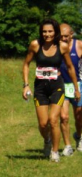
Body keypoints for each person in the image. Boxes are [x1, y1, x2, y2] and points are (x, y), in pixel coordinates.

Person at [22, 18, 80, 162]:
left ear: (55, 32)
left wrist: (76, 88)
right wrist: (26, 85)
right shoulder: (35, 45)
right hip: (40, 88)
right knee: (43, 124)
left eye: (50, 31)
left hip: (57, 86)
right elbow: (26, 64)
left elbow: (70, 67)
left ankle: (55, 152)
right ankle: (47, 140)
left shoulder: (62, 46)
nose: (47, 34)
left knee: (54, 120)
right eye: (44, 32)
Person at [59, 23, 82, 155]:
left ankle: (79, 136)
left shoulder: (78, 45)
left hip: (76, 85)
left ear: (71, 35)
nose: (63, 38)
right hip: (61, 85)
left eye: (66, 36)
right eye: (61, 36)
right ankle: (67, 146)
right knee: (64, 117)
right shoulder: (56, 46)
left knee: (79, 116)